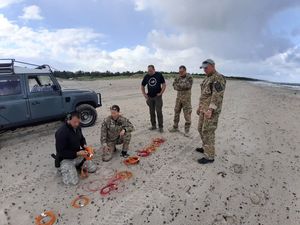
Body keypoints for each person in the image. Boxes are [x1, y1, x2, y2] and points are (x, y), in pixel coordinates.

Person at [196, 59, 226, 164]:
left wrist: (210, 109)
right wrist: (200, 107)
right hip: (204, 109)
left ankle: (210, 156)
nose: (204, 70)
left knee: (208, 131)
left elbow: (217, 96)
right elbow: (204, 95)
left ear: (213, 66)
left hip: (211, 111)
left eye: (206, 68)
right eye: (203, 68)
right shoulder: (207, 78)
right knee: (200, 129)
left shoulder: (218, 78)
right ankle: (205, 148)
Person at [55, 111, 96, 185]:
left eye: (78, 122)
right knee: (73, 182)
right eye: (74, 122)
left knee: (93, 168)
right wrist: (77, 153)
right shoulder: (61, 132)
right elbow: (61, 151)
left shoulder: (77, 127)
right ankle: (63, 169)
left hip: (77, 155)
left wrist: (85, 146)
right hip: (65, 159)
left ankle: (77, 166)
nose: (77, 124)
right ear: (68, 120)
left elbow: (81, 139)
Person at [169, 65, 193, 137]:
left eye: (182, 72)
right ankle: (175, 127)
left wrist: (179, 86)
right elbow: (174, 86)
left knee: (187, 115)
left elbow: (187, 86)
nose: (180, 73)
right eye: (179, 72)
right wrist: (180, 86)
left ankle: (187, 131)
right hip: (178, 99)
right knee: (176, 112)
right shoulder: (177, 77)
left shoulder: (189, 77)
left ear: (185, 71)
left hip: (186, 100)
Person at [141, 65, 166, 133]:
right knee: (151, 112)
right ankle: (153, 126)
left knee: (159, 111)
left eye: (151, 71)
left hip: (157, 97)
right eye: (148, 71)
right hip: (150, 97)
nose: (149, 72)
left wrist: (161, 93)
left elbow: (164, 84)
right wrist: (144, 94)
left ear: (154, 69)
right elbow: (142, 85)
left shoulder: (159, 75)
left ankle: (160, 127)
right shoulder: (146, 76)